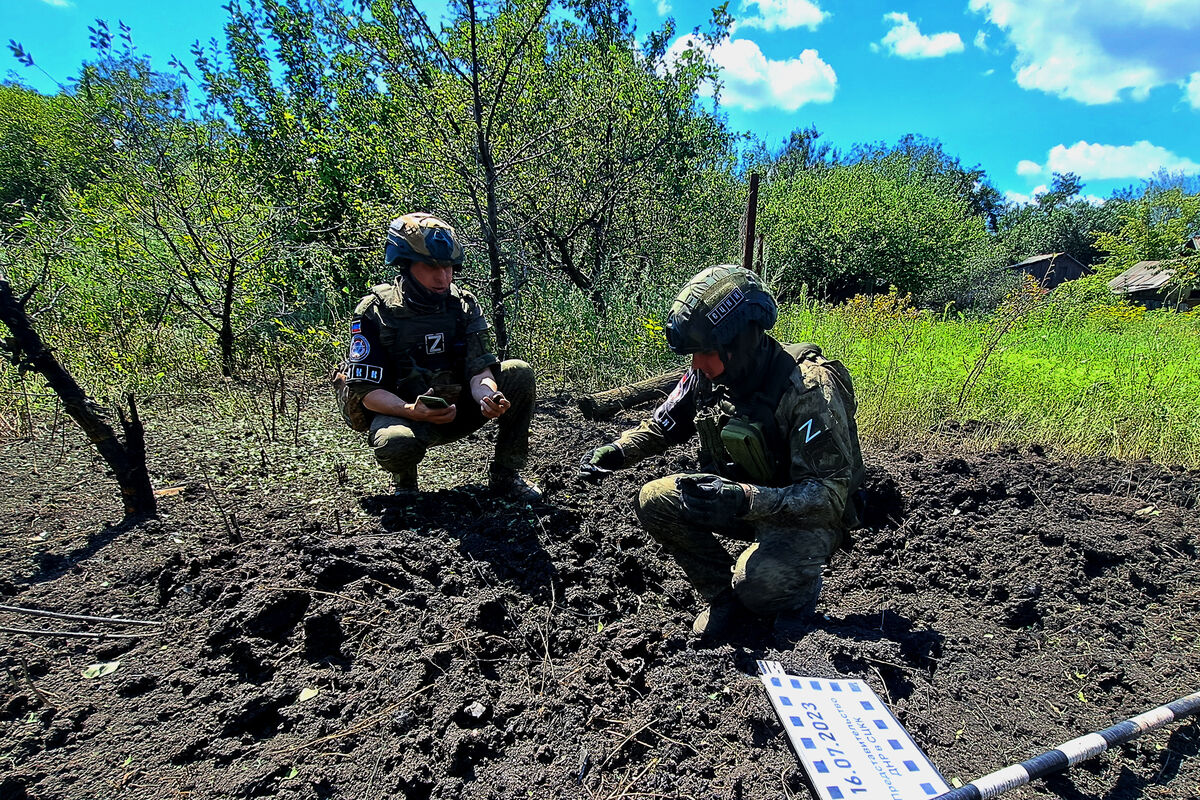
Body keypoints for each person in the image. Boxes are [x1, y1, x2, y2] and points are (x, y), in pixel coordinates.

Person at [578, 265, 864, 640]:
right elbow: (664, 425)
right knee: (655, 500)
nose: (697, 364)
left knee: (759, 587)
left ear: (741, 340)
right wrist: (617, 451)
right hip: (739, 501)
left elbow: (828, 498)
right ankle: (721, 597)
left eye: (706, 353)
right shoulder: (709, 374)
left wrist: (744, 499)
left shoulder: (808, 389)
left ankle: (796, 592)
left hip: (805, 518)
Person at [341, 212, 541, 501]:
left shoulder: (462, 305)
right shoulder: (376, 310)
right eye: (431, 266)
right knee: (395, 443)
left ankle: (506, 475)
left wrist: (488, 396)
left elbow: (479, 370)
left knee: (518, 372)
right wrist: (412, 411)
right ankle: (405, 485)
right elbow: (367, 392)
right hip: (406, 416)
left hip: (458, 409)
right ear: (406, 264)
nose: (443, 277)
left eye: (448, 267)